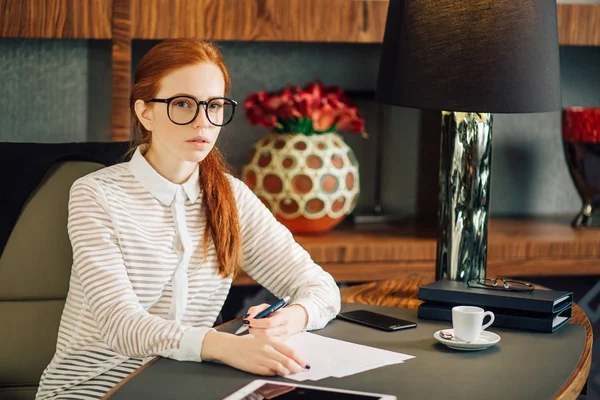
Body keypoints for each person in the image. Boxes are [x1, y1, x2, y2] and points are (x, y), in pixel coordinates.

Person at [36, 38, 341, 399]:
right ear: (144, 112)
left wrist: (290, 318)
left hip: (185, 385)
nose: (202, 121)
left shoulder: (232, 197)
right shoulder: (96, 194)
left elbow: (321, 288)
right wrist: (224, 346)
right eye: (183, 104)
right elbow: (121, 325)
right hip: (91, 388)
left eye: (214, 106)